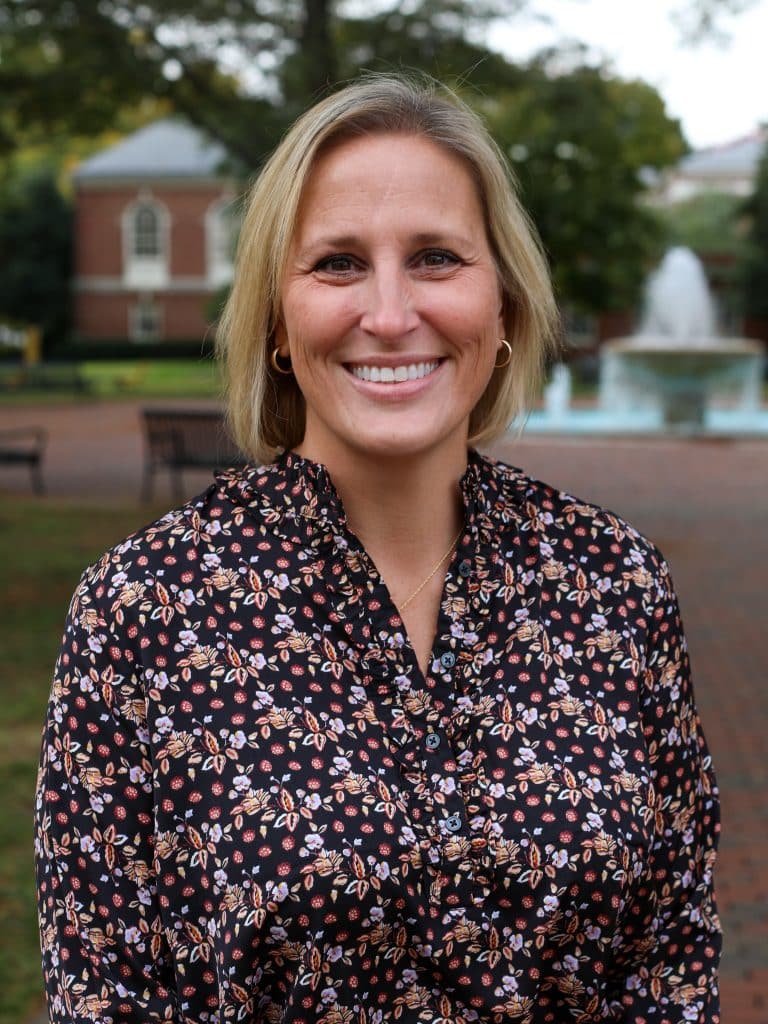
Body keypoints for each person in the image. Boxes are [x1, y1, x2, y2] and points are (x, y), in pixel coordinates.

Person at [35, 75, 721, 1023]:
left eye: (437, 257)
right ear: (277, 319)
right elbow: (109, 989)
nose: (391, 313)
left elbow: (671, 960)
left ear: (506, 307)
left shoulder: (616, 584)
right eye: (338, 264)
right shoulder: (144, 608)